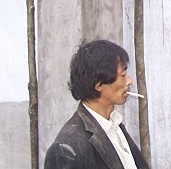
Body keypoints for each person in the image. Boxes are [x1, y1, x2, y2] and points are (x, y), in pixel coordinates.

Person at [44, 39, 150, 169]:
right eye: (123, 75)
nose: (129, 81)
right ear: (98, 84)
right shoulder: (67, 149)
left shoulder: (113, 125)